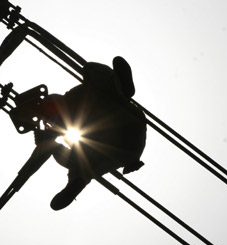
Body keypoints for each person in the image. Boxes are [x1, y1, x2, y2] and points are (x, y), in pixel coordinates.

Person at [36, 56, 147, 210]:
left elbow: (91, 72)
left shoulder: (79, 97)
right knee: (82, 160)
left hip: (125, 128)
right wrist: (51, 145)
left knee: (81, 163)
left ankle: (121, 88)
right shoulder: (79, 110)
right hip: (127, 141)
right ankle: (120, 88)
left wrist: (49, 144)